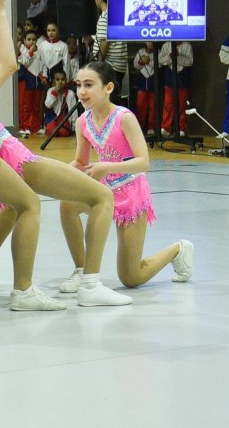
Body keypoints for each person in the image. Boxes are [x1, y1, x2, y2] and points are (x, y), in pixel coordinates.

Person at [0, 0, 121, 307]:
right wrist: (0, 12)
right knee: (101, 197)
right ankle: (89, 283)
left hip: (4, 155)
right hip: (14, 158)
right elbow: (8, 64)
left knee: (12, 206)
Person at [59, 62, 194, 294]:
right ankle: (81, 270)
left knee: (130, 278)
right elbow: (81, 161)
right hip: (103, 191)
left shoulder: (124, 117)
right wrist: (59, 174)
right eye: (79, 85)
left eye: (89, 85)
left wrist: (107, 167)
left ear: (108, 87)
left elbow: (143, 162)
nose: (82, 91)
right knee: (67, 204)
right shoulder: (82, 122)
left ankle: (178, 250)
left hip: (131, 192)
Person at [93, 0, 129, 79]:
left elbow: (104, 43)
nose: (95, 0)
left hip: (109, 66)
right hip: (120, 66)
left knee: (107, 94)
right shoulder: (117, 15)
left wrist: (99, 66)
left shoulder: (105, 17)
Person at [159, 39, 192, 134]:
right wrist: (170, 57)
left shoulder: (187, 45)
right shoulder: (166, 45)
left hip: (183, 77)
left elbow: (190, 61)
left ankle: (182, 128)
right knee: (168, 104)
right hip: (170, 76)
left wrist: (177, 57)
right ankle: (166, 127)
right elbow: (161, 60)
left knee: (182, 105)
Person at [43, 68, 76, 135]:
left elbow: (74, 111)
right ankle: (48, 129)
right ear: (54, 81)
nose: (60, 82)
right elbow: (48, 105)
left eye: (62, 79)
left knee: (63, 132)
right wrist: (55, 92)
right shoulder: (50, 91)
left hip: (64, 120)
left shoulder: (70, 94)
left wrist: (74, 127)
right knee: (53, 131)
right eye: (58, 80)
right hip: (52, 118)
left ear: (66, 81)